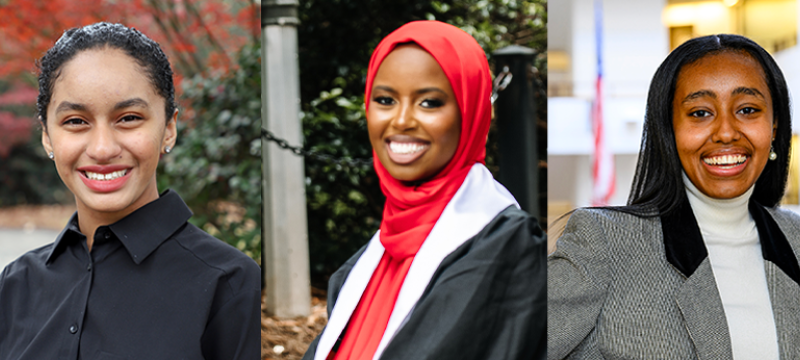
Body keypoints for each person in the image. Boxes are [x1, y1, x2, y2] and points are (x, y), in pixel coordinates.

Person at [0, 22, 260, 359]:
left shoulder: (230, 283)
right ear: (47, 136)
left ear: (168, 129)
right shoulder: (15, 285)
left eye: (129, 118)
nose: (103, 149)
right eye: (76, 121)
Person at [302, 20, 546, 360]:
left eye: (429, 103)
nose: (401, 120)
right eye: (385, 99)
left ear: (470, 112)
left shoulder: (506, 247)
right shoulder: (368, 262)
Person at [548, 34, 800, 359]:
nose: (725, 132)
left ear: (775, 125)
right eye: (699, 113)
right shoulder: (605, 242)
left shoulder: (794, 240)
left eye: (748, 109)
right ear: (669, 127)